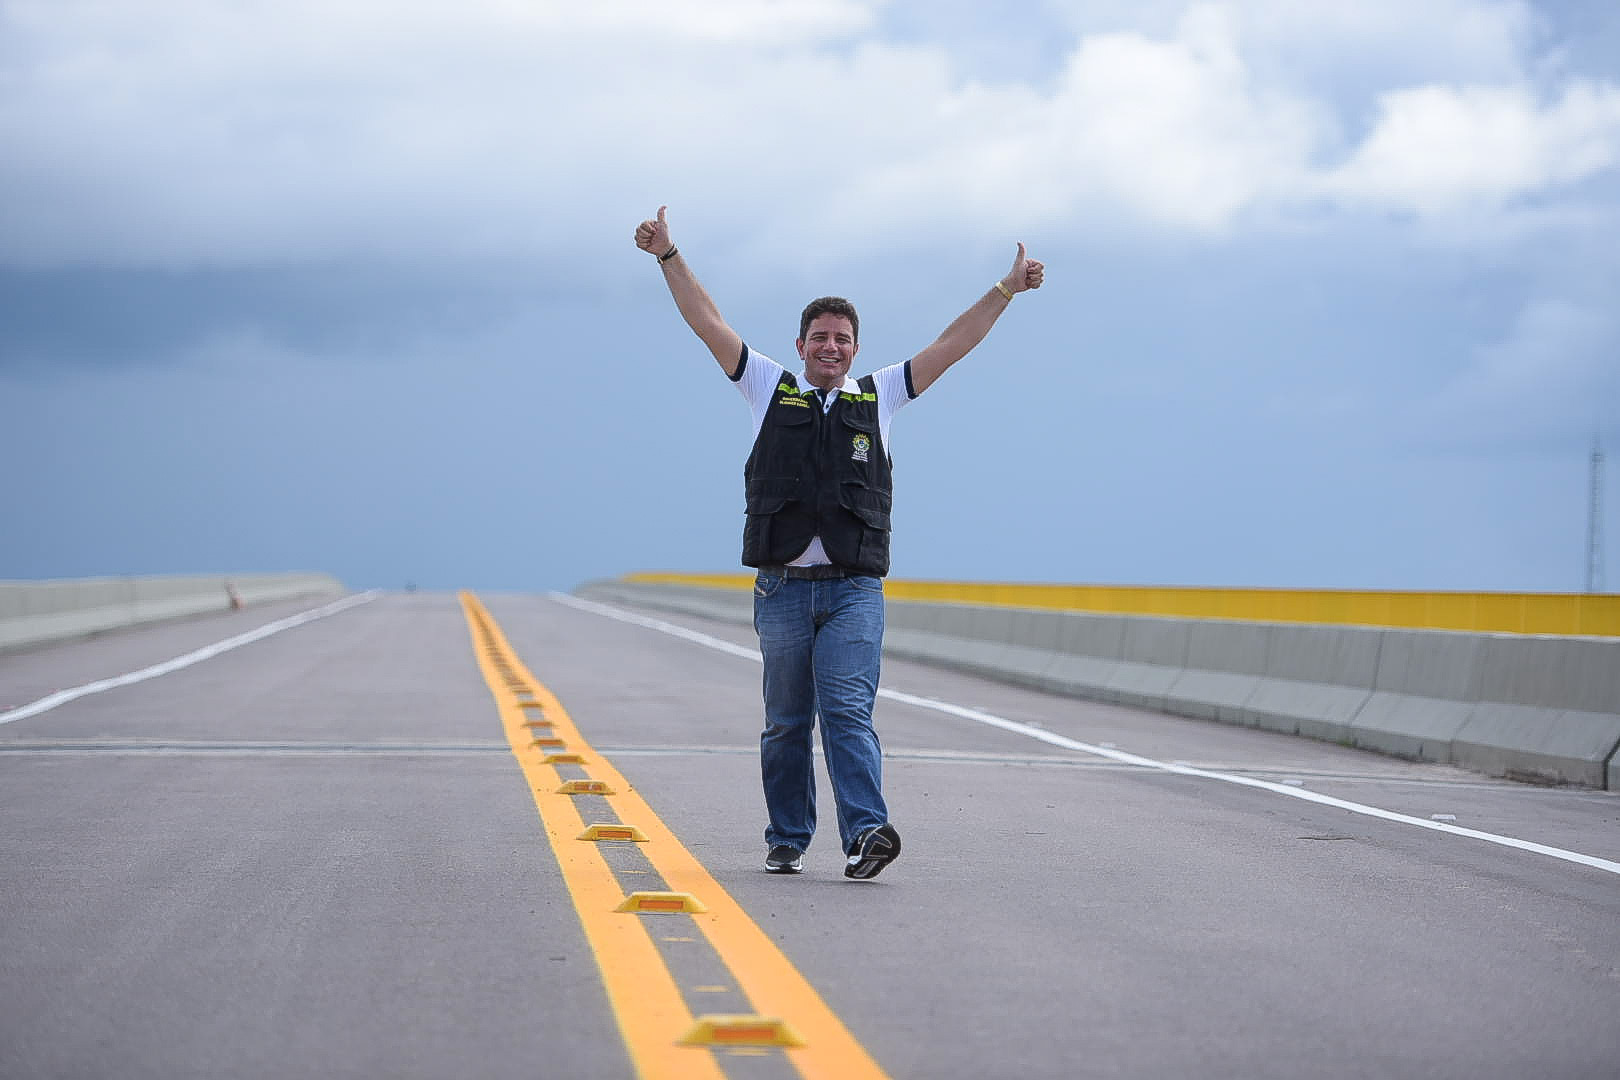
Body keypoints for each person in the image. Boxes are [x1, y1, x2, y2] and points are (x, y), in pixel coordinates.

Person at [634, 206, 1044, 879]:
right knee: (788, 723)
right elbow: (708, 323)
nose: (831, 347)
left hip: (855, 592)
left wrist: (1006, 290)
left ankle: (866, 835)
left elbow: (953, 343)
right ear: (800, 346)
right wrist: (668, 255)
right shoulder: (769, 388)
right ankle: (788, 836)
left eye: (843, 339)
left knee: (848, 713)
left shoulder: (880, 397)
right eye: (820, 337)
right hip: (784, 590)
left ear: (856, 348)